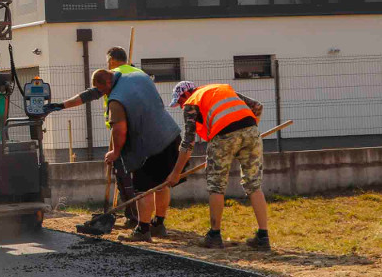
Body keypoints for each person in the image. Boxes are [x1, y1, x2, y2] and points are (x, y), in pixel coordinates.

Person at [43, 47, 149, 229]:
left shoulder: (113, 76)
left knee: (123, 173)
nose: (107, 65)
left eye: (108, 61)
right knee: (142, 177)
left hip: (124, 130)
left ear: (113, 61)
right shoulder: (139, 74)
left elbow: (88, 95)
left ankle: (134, 217)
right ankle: (145, 219)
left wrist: (61, 106)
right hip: (145, 130)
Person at [163, 81, 269, 250]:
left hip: (223, 136)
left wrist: (176, 173)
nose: (182, 106)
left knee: (216, 185)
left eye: (180, 102)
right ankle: (263, 237)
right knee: (254, 184)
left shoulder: (192, 102)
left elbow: (188, 143)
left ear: (185, 95)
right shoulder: (221, 89)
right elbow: (257, 106)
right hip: (251, 131)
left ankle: (214, 235)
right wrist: (246, 133)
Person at [91, 68, 181, 242]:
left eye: (102, 90)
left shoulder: (116, 99)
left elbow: (120, 130)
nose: (103, 94)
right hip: (170, 135)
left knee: (143, 189)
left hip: (148, 146)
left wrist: (115, 152)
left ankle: (142, 230)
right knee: (162, 184)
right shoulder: (140, 76)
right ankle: (158, 225)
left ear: (108, 83)